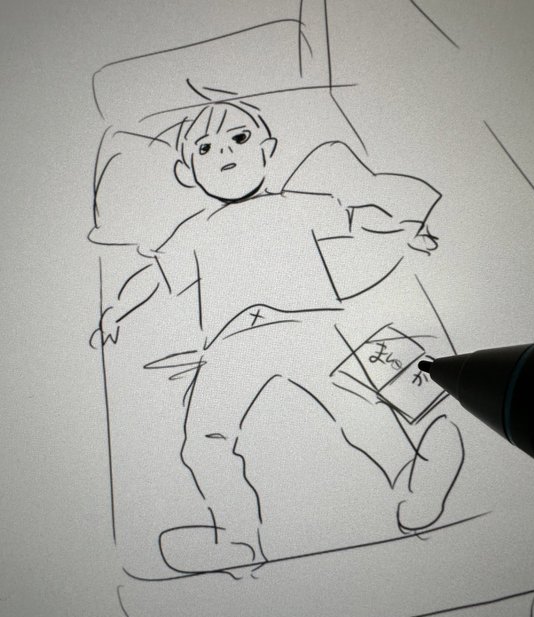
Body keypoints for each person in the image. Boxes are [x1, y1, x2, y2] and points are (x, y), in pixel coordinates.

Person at [95, 100, 463, 574]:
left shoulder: (300, 204)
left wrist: (406, 230)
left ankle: (414, 479)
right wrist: (118, 308)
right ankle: (237, 539)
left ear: (267, 149)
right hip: (232, 345)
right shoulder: (193, 231)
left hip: (307, 327)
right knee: (203, 441)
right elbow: (153, 274)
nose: (224, 152)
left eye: (239, 138)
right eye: (205, 148)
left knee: (357, 407)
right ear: (187, 173)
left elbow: (361, 218)